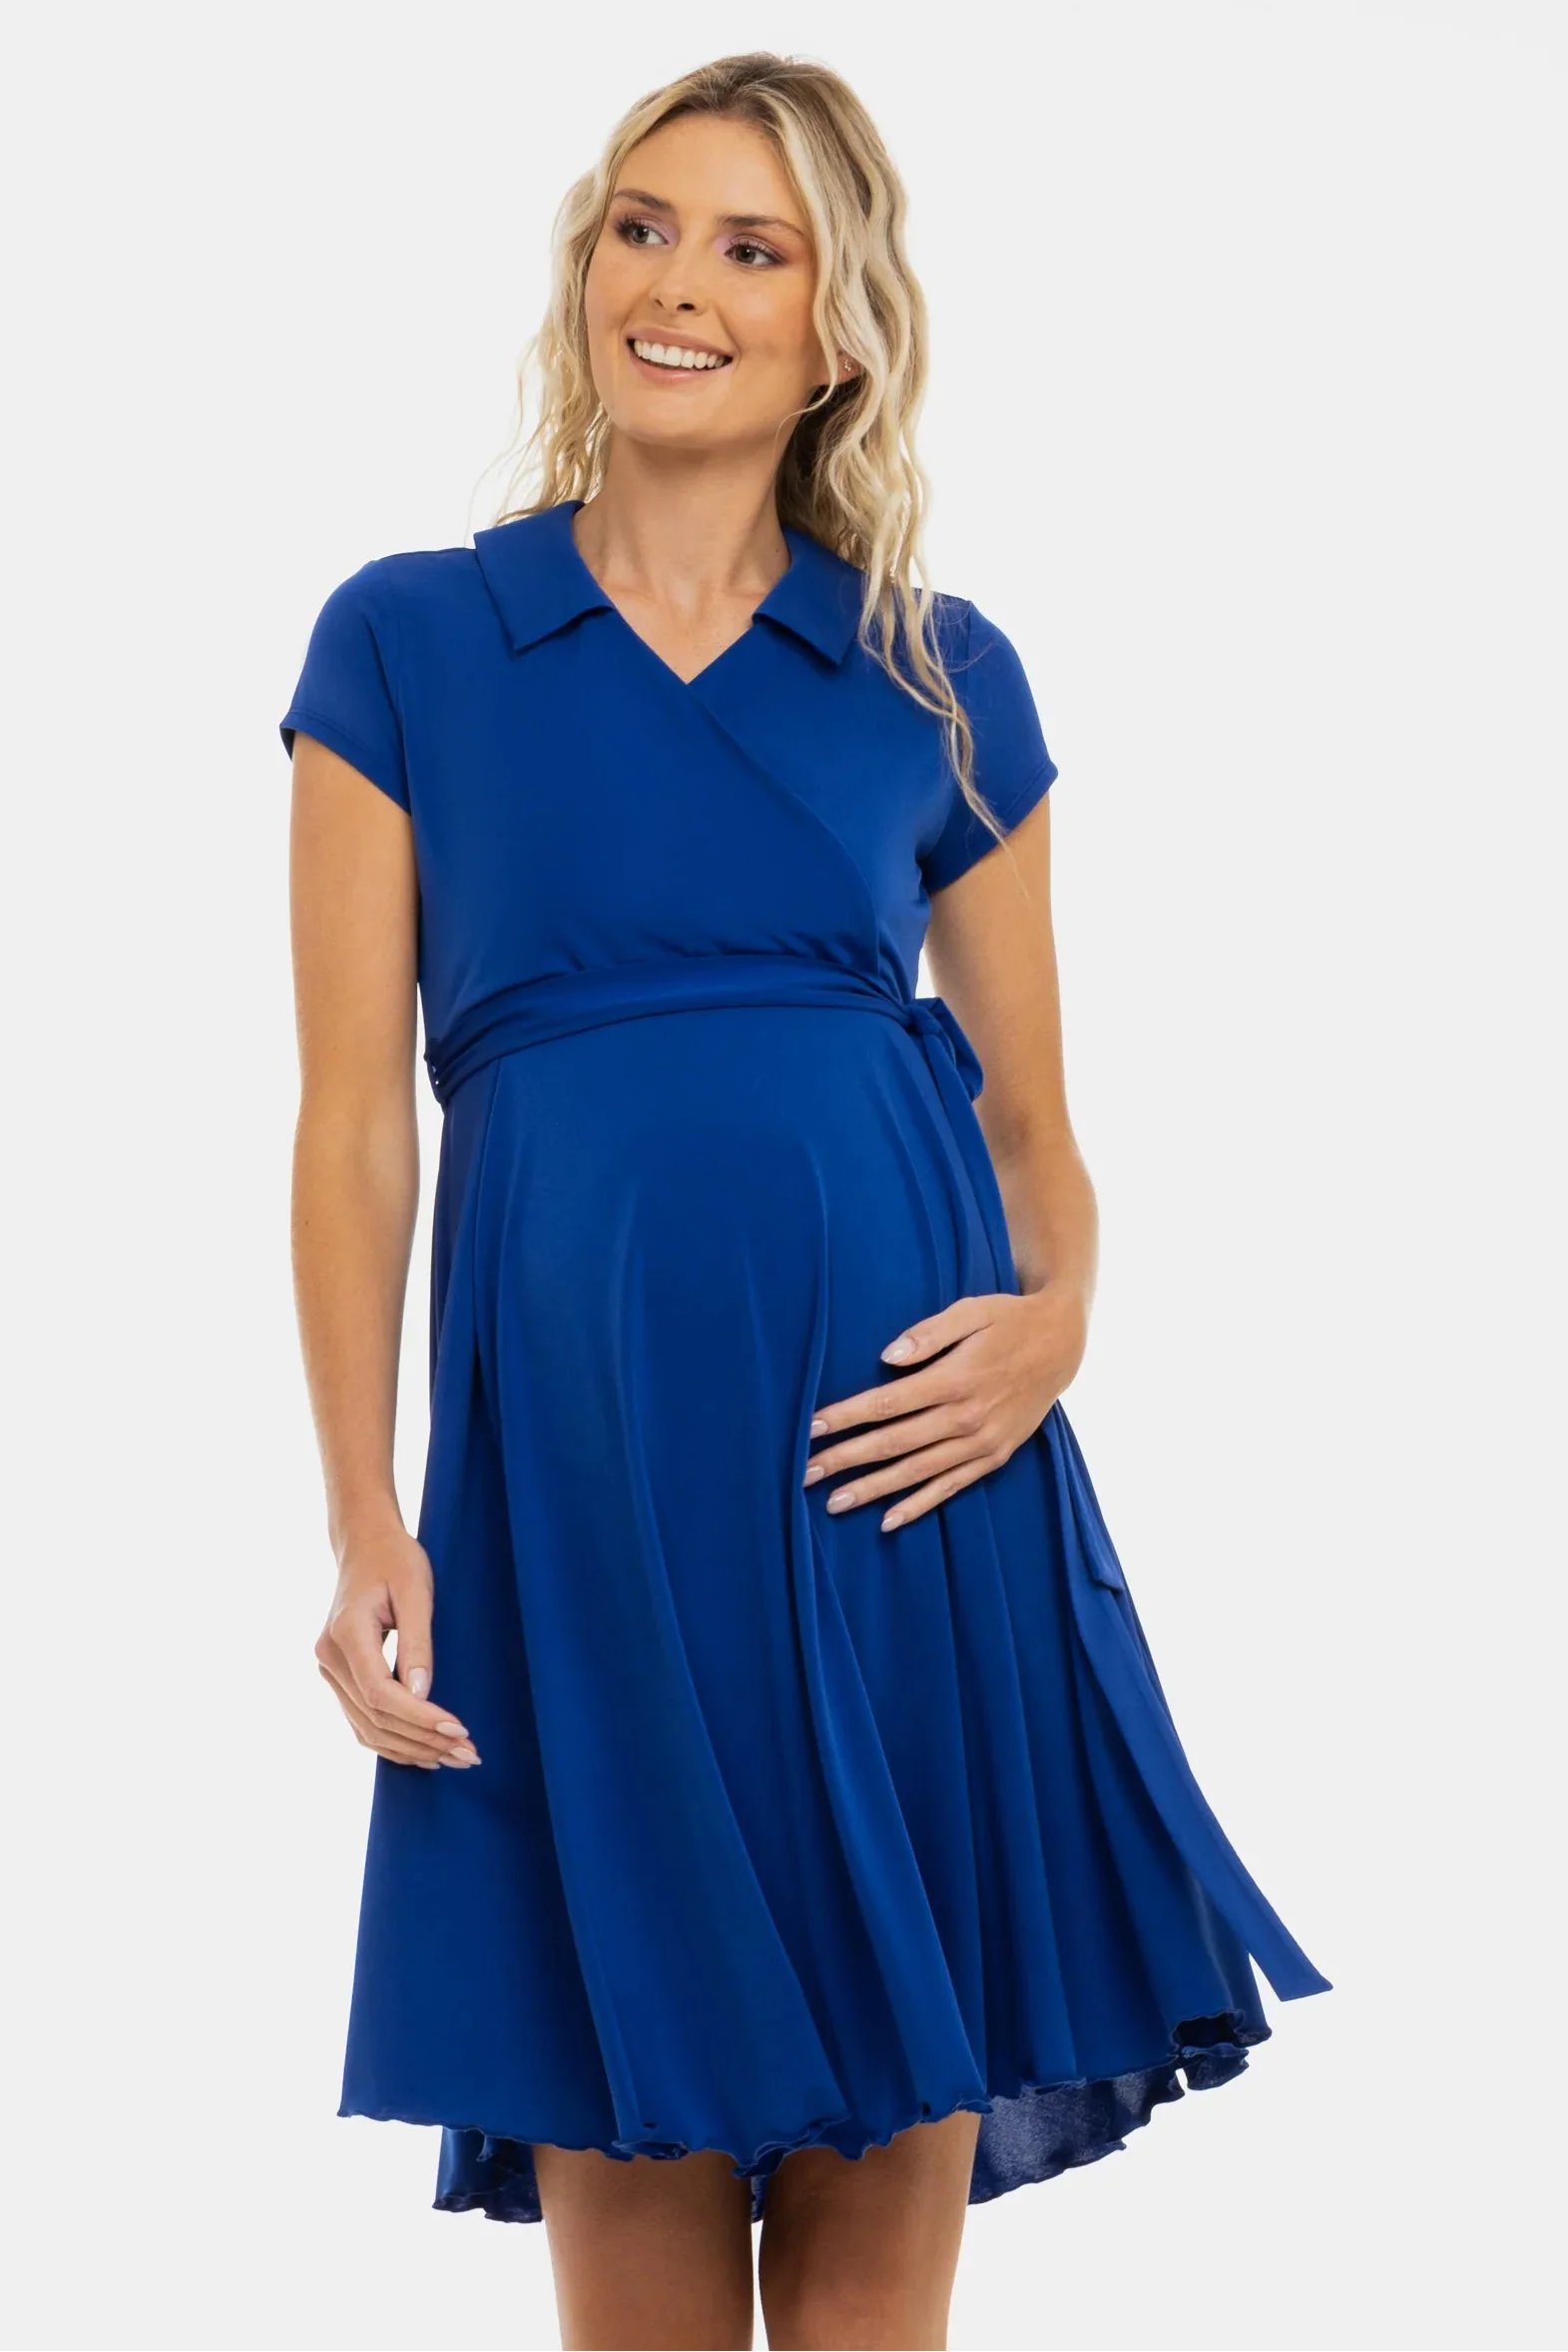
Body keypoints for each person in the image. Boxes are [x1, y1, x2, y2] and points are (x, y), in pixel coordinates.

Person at [281, 50, 1329, 2352]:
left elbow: (1037, 1131)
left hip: (903, 1491)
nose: (678, 284)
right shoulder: (407, 640)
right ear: (585, 270)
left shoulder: (933, 675)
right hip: (575, 1508)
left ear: (836, 327)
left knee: (873, 2271)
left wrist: (1055, 1321)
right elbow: (352, 1122)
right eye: (640, 227)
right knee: (633, 2219)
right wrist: (363, 1508)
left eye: (750, 249)